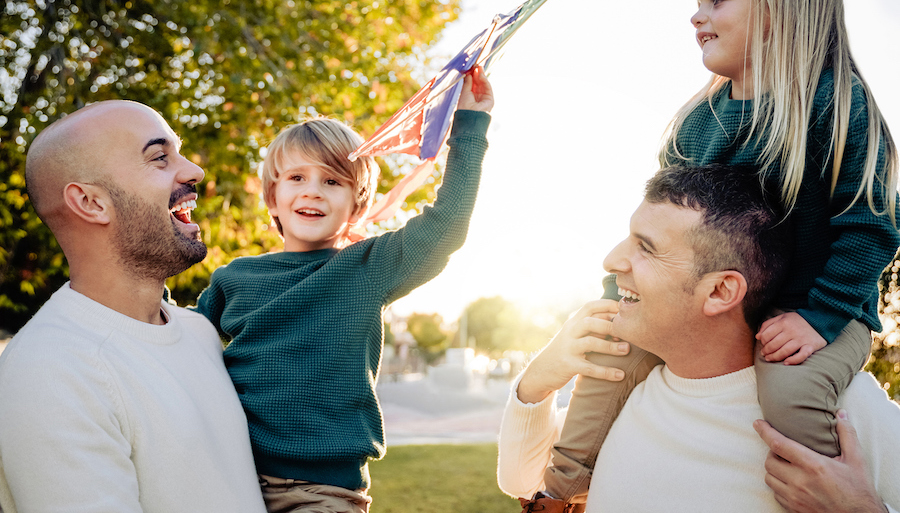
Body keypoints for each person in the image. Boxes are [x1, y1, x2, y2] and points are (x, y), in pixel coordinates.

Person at [537, 0, 900, 509]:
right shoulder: (696, 120)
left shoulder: (839, 105)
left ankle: (819, 495)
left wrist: (822, 314)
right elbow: (661, 226)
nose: (697, 15)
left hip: (819, 306)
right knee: (609, 354)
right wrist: (625, 291)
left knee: (791, 391)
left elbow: (870, 226)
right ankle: (560, 490)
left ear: (781, 6)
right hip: (713, 303)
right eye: (699, 0)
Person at [497, 164, 900, 513]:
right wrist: (541, 375)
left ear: (720, 292)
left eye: (647, 249)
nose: (612, 261)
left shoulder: (843, 410)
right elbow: (521, 480)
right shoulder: (630, 392)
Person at [195, 67, 494, 512]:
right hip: (230, 476)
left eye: (332, 181)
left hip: (322, 492)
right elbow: (180, 339)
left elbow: (446, 225)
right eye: (296, 178)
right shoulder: (234, 278)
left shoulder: (367, 268)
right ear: (272, 197)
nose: (313, 191)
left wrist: (469, 126)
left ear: (357, 203)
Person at [0, 101, 267, 512]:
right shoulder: (48, 371)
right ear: (91, 202)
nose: (194, 171)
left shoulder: (199, 332)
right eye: (160, 157)